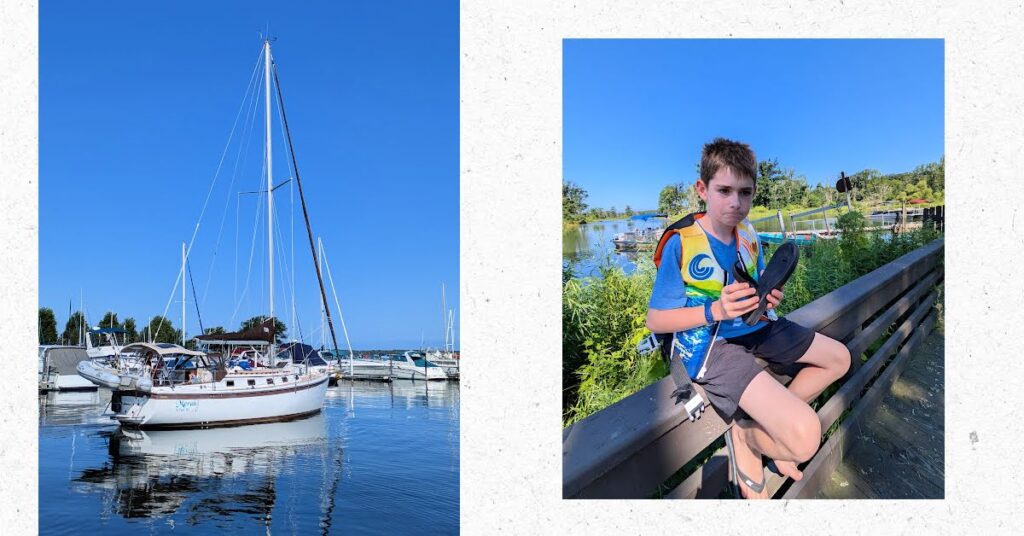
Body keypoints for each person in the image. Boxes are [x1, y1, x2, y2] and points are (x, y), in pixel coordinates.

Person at [646, 137, 850, 499]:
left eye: (745, 192)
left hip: (754, 325)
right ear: (702, 189)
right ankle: (748, 438)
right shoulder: (681, 242)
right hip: (709, 345)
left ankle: (759, 427)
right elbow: (656, 321)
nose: (736, 203)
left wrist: (767, 297)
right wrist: (715, 310)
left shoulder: (748, 234)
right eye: (724, 190)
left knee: (839, 359)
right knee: (805, 439)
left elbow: (753, 288)